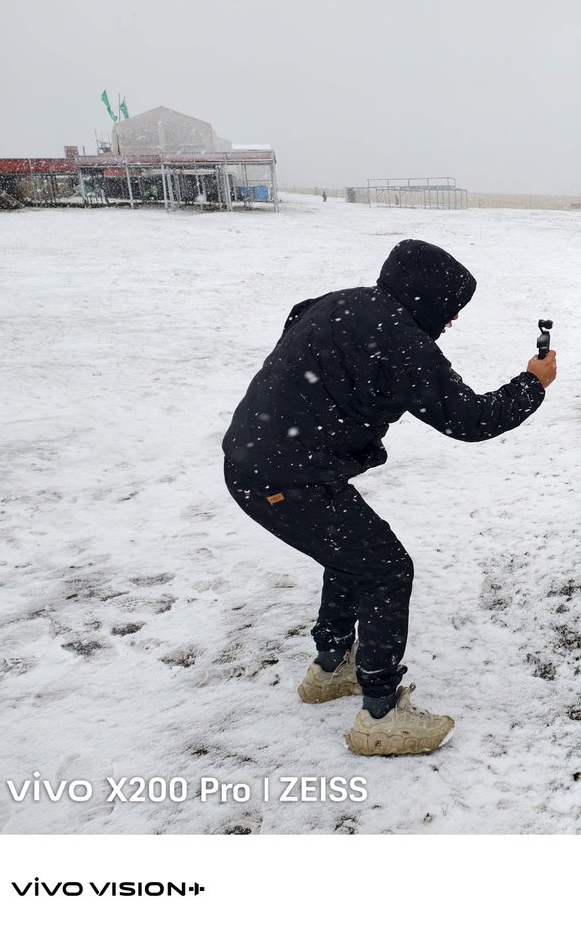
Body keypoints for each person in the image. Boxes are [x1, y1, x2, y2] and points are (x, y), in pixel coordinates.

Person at [222, 239, 557, 755]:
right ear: (429, 300)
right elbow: (470, 420)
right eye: (452, 311)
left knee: (352, 551)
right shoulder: (400, 341)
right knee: (386, 568)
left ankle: (331, 667)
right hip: (285, 477)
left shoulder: (342, 301)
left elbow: (297, 325)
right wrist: (532, 384)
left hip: (261, 459)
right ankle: (380, 715)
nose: (452, 322)